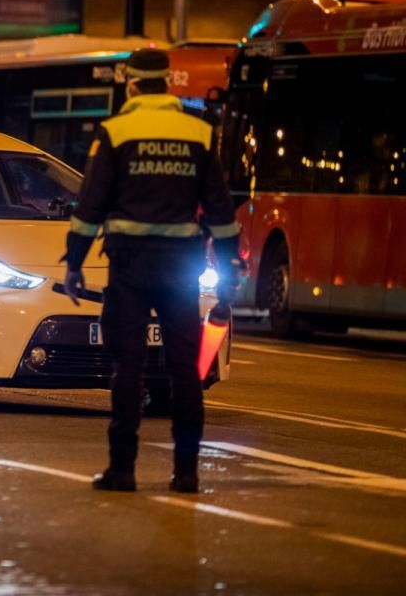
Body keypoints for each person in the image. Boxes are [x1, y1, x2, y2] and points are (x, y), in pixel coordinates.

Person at [61, 48, 240, 494]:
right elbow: (220, 210)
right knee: (184, 371)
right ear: (167, 84)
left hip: (130, 268)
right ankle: (186, 473)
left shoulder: (116, 131)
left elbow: (90, 207)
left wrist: (75, 262)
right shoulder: (200, 133)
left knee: (129, 367)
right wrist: (231, 269)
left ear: (132, 84)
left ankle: (123, 470)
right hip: (182, 266)